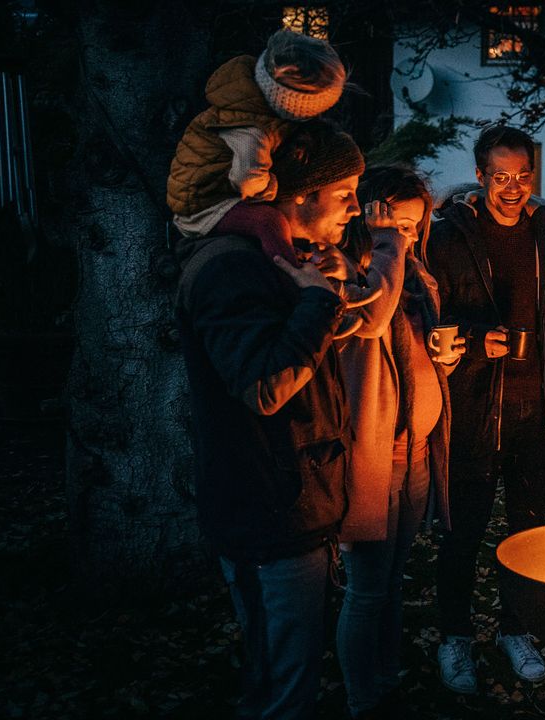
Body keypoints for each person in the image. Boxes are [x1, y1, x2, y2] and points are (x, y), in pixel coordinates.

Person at [174, 120, 364, 720]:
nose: (355, 211)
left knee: (291, 666)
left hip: (294, 505)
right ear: (303, 193)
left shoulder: (276, 259)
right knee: (281, 681)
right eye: (345, 195)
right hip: (267, 513)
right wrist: (314, 301)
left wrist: (327, 285)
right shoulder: (231, 267)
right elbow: (264, 387)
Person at [423, 125, 545, 694]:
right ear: (481, 174)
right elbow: (425, 314)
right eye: (501, 176)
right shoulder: (450, 235)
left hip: (536, 412)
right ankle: (455, 637)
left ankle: (516, 629)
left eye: (523, 175)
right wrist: (469, 335)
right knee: (462, 536)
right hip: (473, 408)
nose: (513, 187)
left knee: (527, 533)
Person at [333, 167, 464, 719]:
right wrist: (387, 243)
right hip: (371, 453)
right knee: (366, 586)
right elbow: (371, 322)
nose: (409, 235)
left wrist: (444, 362)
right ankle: (364, 698)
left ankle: (386, 677)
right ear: (368, 216)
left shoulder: (416, 277)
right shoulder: (350, 273)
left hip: (415, 451)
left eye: (415, 224)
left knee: (392, 578)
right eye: (396, 224)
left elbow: (411, 356)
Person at [167, 31, 352, 300]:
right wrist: (273, 186)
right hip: (202, 202)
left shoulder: (251, 99)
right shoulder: (253, 130)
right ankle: (298, 291)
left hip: (208, 187)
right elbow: (248, 180)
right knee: (269, 221)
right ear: (294, 106)